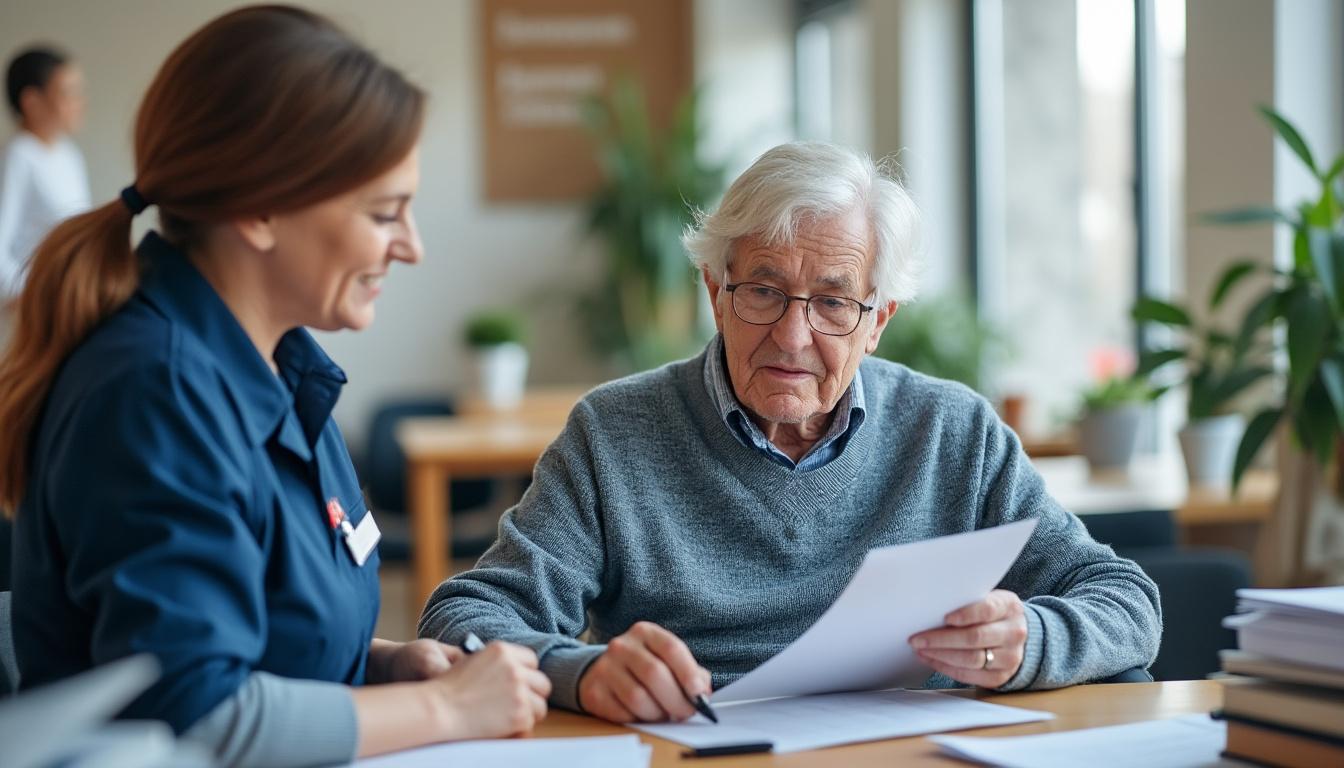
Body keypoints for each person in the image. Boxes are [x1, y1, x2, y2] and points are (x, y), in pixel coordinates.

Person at [420, 142, 1162, 723]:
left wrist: (1031, 640)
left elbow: (1127, 600)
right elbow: (461, 619)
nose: (793, 336)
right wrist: (580, 672)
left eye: (833, 303)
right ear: (716, 291)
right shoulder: (614, 434)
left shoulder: (952, 432)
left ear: (878, 321)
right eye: (764, 291)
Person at [2, 7, 548, 766]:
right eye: (384, 213)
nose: (412, 246)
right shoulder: (155, 393)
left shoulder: (284, 372)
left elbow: (264, 641)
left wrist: (382, 667)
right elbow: (193, 716)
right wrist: (445, 708)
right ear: (259, 209)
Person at [0, 45, 91, 310]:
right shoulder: (17, 157)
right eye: (68, 93)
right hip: (33, 308)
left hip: (67, 300)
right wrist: (31, 296)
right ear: (32, 101)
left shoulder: (69, 153)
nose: (80, 103)